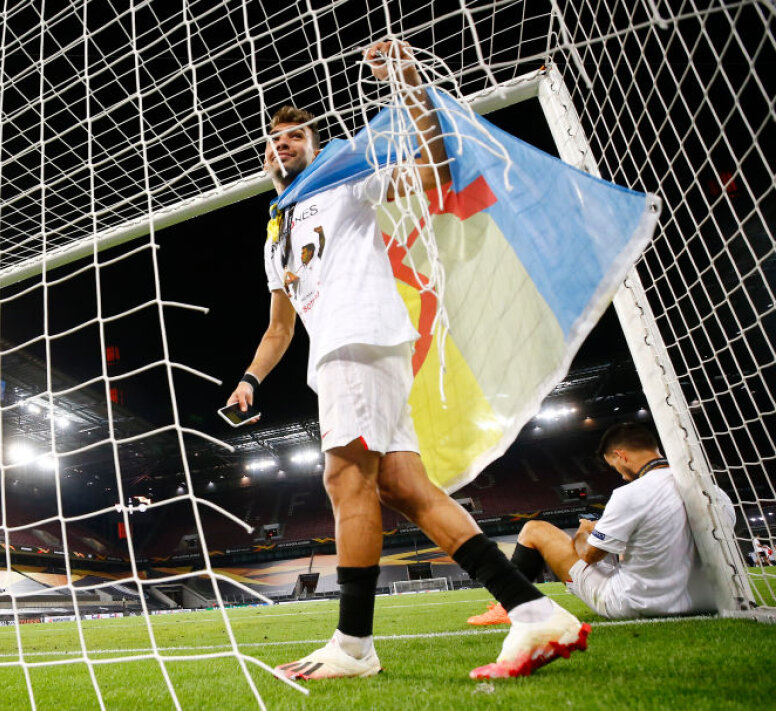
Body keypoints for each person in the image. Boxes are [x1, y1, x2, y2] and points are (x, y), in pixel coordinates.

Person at [226, 39, 587, 682]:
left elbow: (434, 169)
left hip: (359, 340)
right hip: (341, 352)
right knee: (405, 487)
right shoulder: (276, 235)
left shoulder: (345, 184)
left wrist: (410, 87)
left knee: (345, 482)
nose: (282, 143)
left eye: (295, 135)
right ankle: (534, 613)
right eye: (272, 139)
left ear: (315, 144)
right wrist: (252, 379)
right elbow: (281, 324)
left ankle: (354, 645)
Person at [469, 423, 734, 624]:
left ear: (621, 456)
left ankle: (511, 606)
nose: (620, 475)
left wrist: (584, 532)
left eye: (615, 466)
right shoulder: (708, 489)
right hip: (707, 600)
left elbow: (590, 555)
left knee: (533, 529)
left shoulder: (629, 494)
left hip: (635, 603)